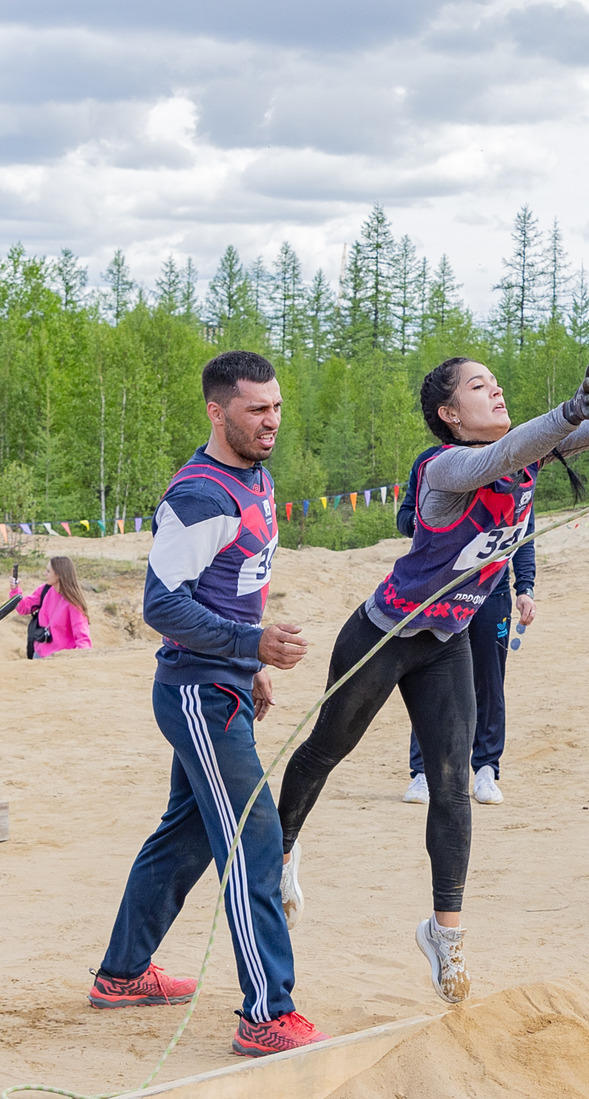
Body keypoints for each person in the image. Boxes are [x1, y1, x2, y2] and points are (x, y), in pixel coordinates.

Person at [278, 357, 589, 1004]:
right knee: (325, 749)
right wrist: (564, 414)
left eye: (496, 380)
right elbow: (493, 460)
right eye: (478, 386)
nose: (496, 387)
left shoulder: (528, 451)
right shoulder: (443, 469)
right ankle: (280, 853)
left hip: (447, 643)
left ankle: (443, 933)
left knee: (454, 786)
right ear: (450, 415)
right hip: (386, 634)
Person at [90, 350, 329, 1057]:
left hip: (220, 683)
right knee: (251, 840)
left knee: (186, 835)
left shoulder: (256, 476)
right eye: (257, 409)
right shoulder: (199, 495)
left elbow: (233, 586)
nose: (272, 421)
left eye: (277, 406)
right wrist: (248, 646)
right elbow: (162, 604)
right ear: (216, 410)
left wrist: (247, 662)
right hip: (195, 694)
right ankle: (267, 1014)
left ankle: (122, 973)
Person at [397, 446, 537, 807]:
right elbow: (404, 515)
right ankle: (423, 772)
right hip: (440, 590)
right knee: (431, 680)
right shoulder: (431, 462)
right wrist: (427, 524)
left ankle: (486, 769)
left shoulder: (514, 460)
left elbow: (523, 534)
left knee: (489, 680)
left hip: (491, 593)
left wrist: (525, 588)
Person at [8, 557, 92, 657]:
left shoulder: (73, 603)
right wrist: (15, 590)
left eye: (48, 571)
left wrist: (84, 662)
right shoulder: (45, 590)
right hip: (39, 654)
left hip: (61, 660)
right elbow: (23, 608)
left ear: (58, 575)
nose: (45, 573)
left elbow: (82, 637)